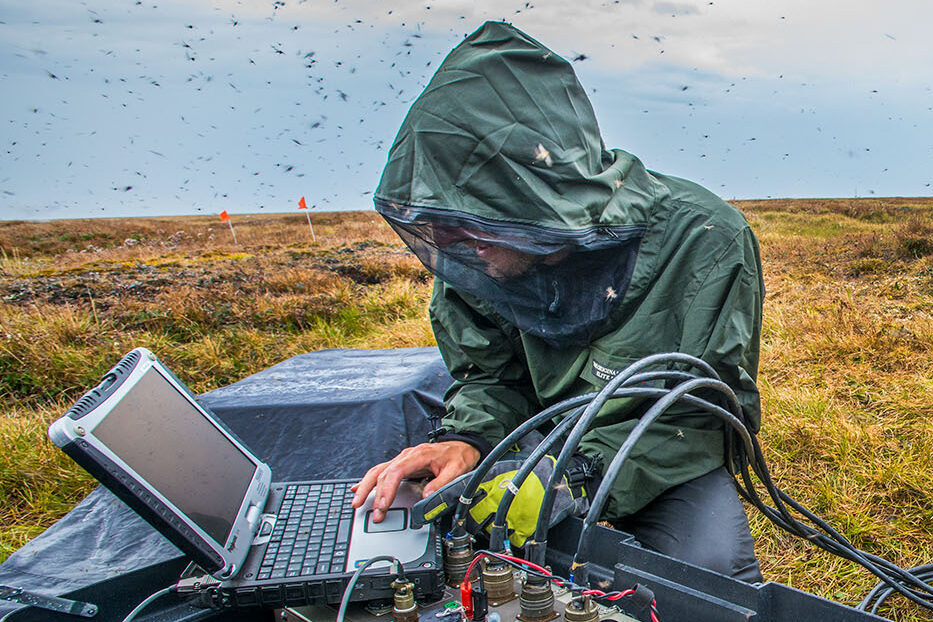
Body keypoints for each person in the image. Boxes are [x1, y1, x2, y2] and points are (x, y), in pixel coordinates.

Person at [351, 21, 765, 583]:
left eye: (473, 227)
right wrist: (467, 440)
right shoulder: (478, 248)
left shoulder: (706, 240)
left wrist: (578, 477)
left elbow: (700, 413)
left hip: (657, 451)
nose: (459, 251)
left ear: (530, 195)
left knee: (709, 575)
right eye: (445, 230)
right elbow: (490, 376)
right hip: (532, 440)